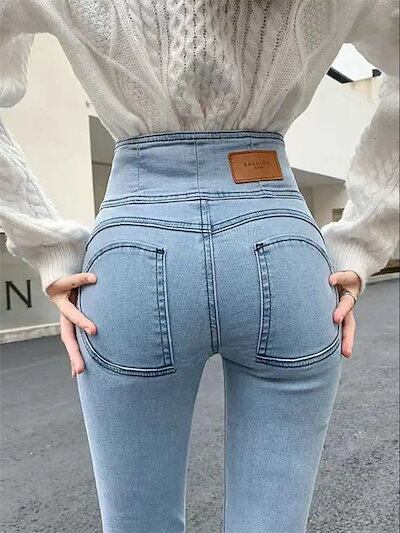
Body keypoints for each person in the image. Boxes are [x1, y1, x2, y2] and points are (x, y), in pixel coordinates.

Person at [0, 1, 398, 532]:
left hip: (133, 250)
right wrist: (363, 239)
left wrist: (44, 243)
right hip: (280, 242)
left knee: (139, 524)